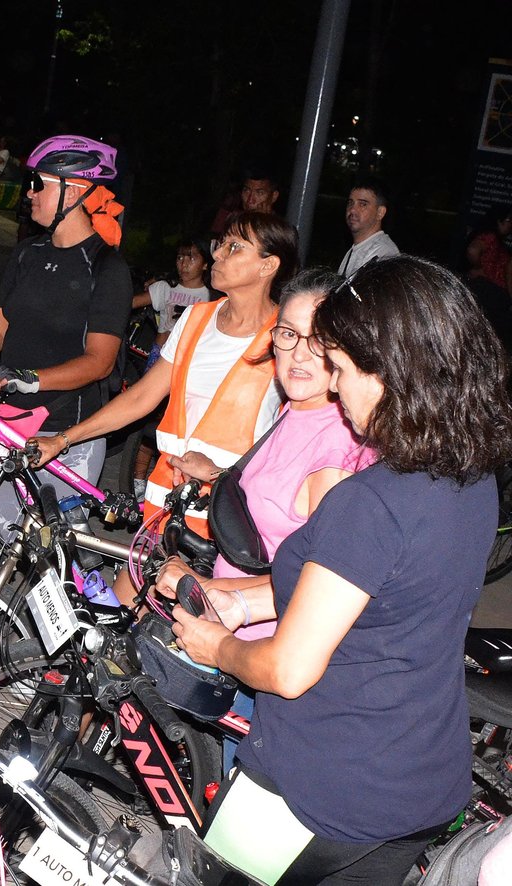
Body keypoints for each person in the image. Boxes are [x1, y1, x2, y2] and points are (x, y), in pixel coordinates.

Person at [174, 255, 512, 883]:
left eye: (342, 368)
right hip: (420, 783)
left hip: (318, 786)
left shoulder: (370, 502)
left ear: (390, 373)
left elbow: (288, 670)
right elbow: (379, 595)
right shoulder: (470, 475)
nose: (333, 387)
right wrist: (244, 603)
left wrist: (217, 645)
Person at [153, 268, 374, 772]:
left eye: (320, 340)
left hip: (262, 661)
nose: (299, 354)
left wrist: (212, 588)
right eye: (288, 334)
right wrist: (219, 475)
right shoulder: (299, 409)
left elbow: (321, 584)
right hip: (233, 632)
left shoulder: (335, 451)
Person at [28, 212, 297, 548]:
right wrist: (62, 440)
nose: (217, 253)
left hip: (231, 515)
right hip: (169, 502)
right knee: (128, 582)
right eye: (221, 243)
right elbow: (142, 397)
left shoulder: (287, 338)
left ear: (268, 265)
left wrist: (219, 475)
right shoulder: (196, 319)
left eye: (234, 247)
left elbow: (301, 442)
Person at [0, 135, 133, 506]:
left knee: (53, 542)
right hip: (9, 420)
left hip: (68, 432)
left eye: (39, 184)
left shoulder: (106, 268)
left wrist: (30, 378)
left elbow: (100, 362)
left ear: (73, 193)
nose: (30, 193)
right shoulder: (27, 253)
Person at [132, 238, 213, 347]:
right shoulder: (166, 287)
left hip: (187, 355)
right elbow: (131, 302)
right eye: (180, 258)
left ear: (205, 264)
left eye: (191, 258)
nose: (184, 264)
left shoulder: (211, 298)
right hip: (159, 351)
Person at [336, 178, 399, 276]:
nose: (352, 210)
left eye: (362, 204)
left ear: (380, 212)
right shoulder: (356, 249)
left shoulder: (383, 254)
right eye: (350, 203)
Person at [210, 169, 280, 238]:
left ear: (274, 196)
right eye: (246, 190)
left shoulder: (278, 230)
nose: (250, 200)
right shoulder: (233, 218)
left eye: (259, 193)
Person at [466, 204, 512, 296]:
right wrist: (479, 269)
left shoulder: (496, 240)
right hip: (489, 288)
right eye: (509, 221)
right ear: (499, 222)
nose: (510, 224)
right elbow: (472, 250)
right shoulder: (490, 237)